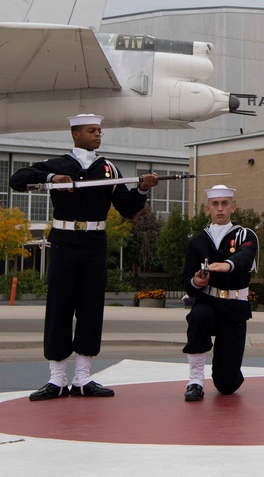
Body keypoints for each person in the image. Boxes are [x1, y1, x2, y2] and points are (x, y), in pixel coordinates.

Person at [10, 114, 158, 401]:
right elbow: (17, 180)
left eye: (100, 131)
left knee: (91, 307)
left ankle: (82, 378)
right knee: (60, 306)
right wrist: (51, 178)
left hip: (94, 243)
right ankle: (56, 379)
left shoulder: (108, 168)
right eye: (92, 131)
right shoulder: (57, 164)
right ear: (76, 134)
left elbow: (126, 209)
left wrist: (142, 189)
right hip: (64, 243)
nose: (98, 135)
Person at [181, 184, 259, 401]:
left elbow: (245, 257)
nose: (220, 208)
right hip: (208, 301)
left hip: (234, 307)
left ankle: (228, 373)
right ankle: (195, 381)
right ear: (207, 209)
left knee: (227, 385)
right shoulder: (197, 241)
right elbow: (187, 281)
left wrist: (227, 265)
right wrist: (196, 281)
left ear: (232, 207)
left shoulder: (245, 234)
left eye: (225, 203)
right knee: (198, 316)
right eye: (215, 204)